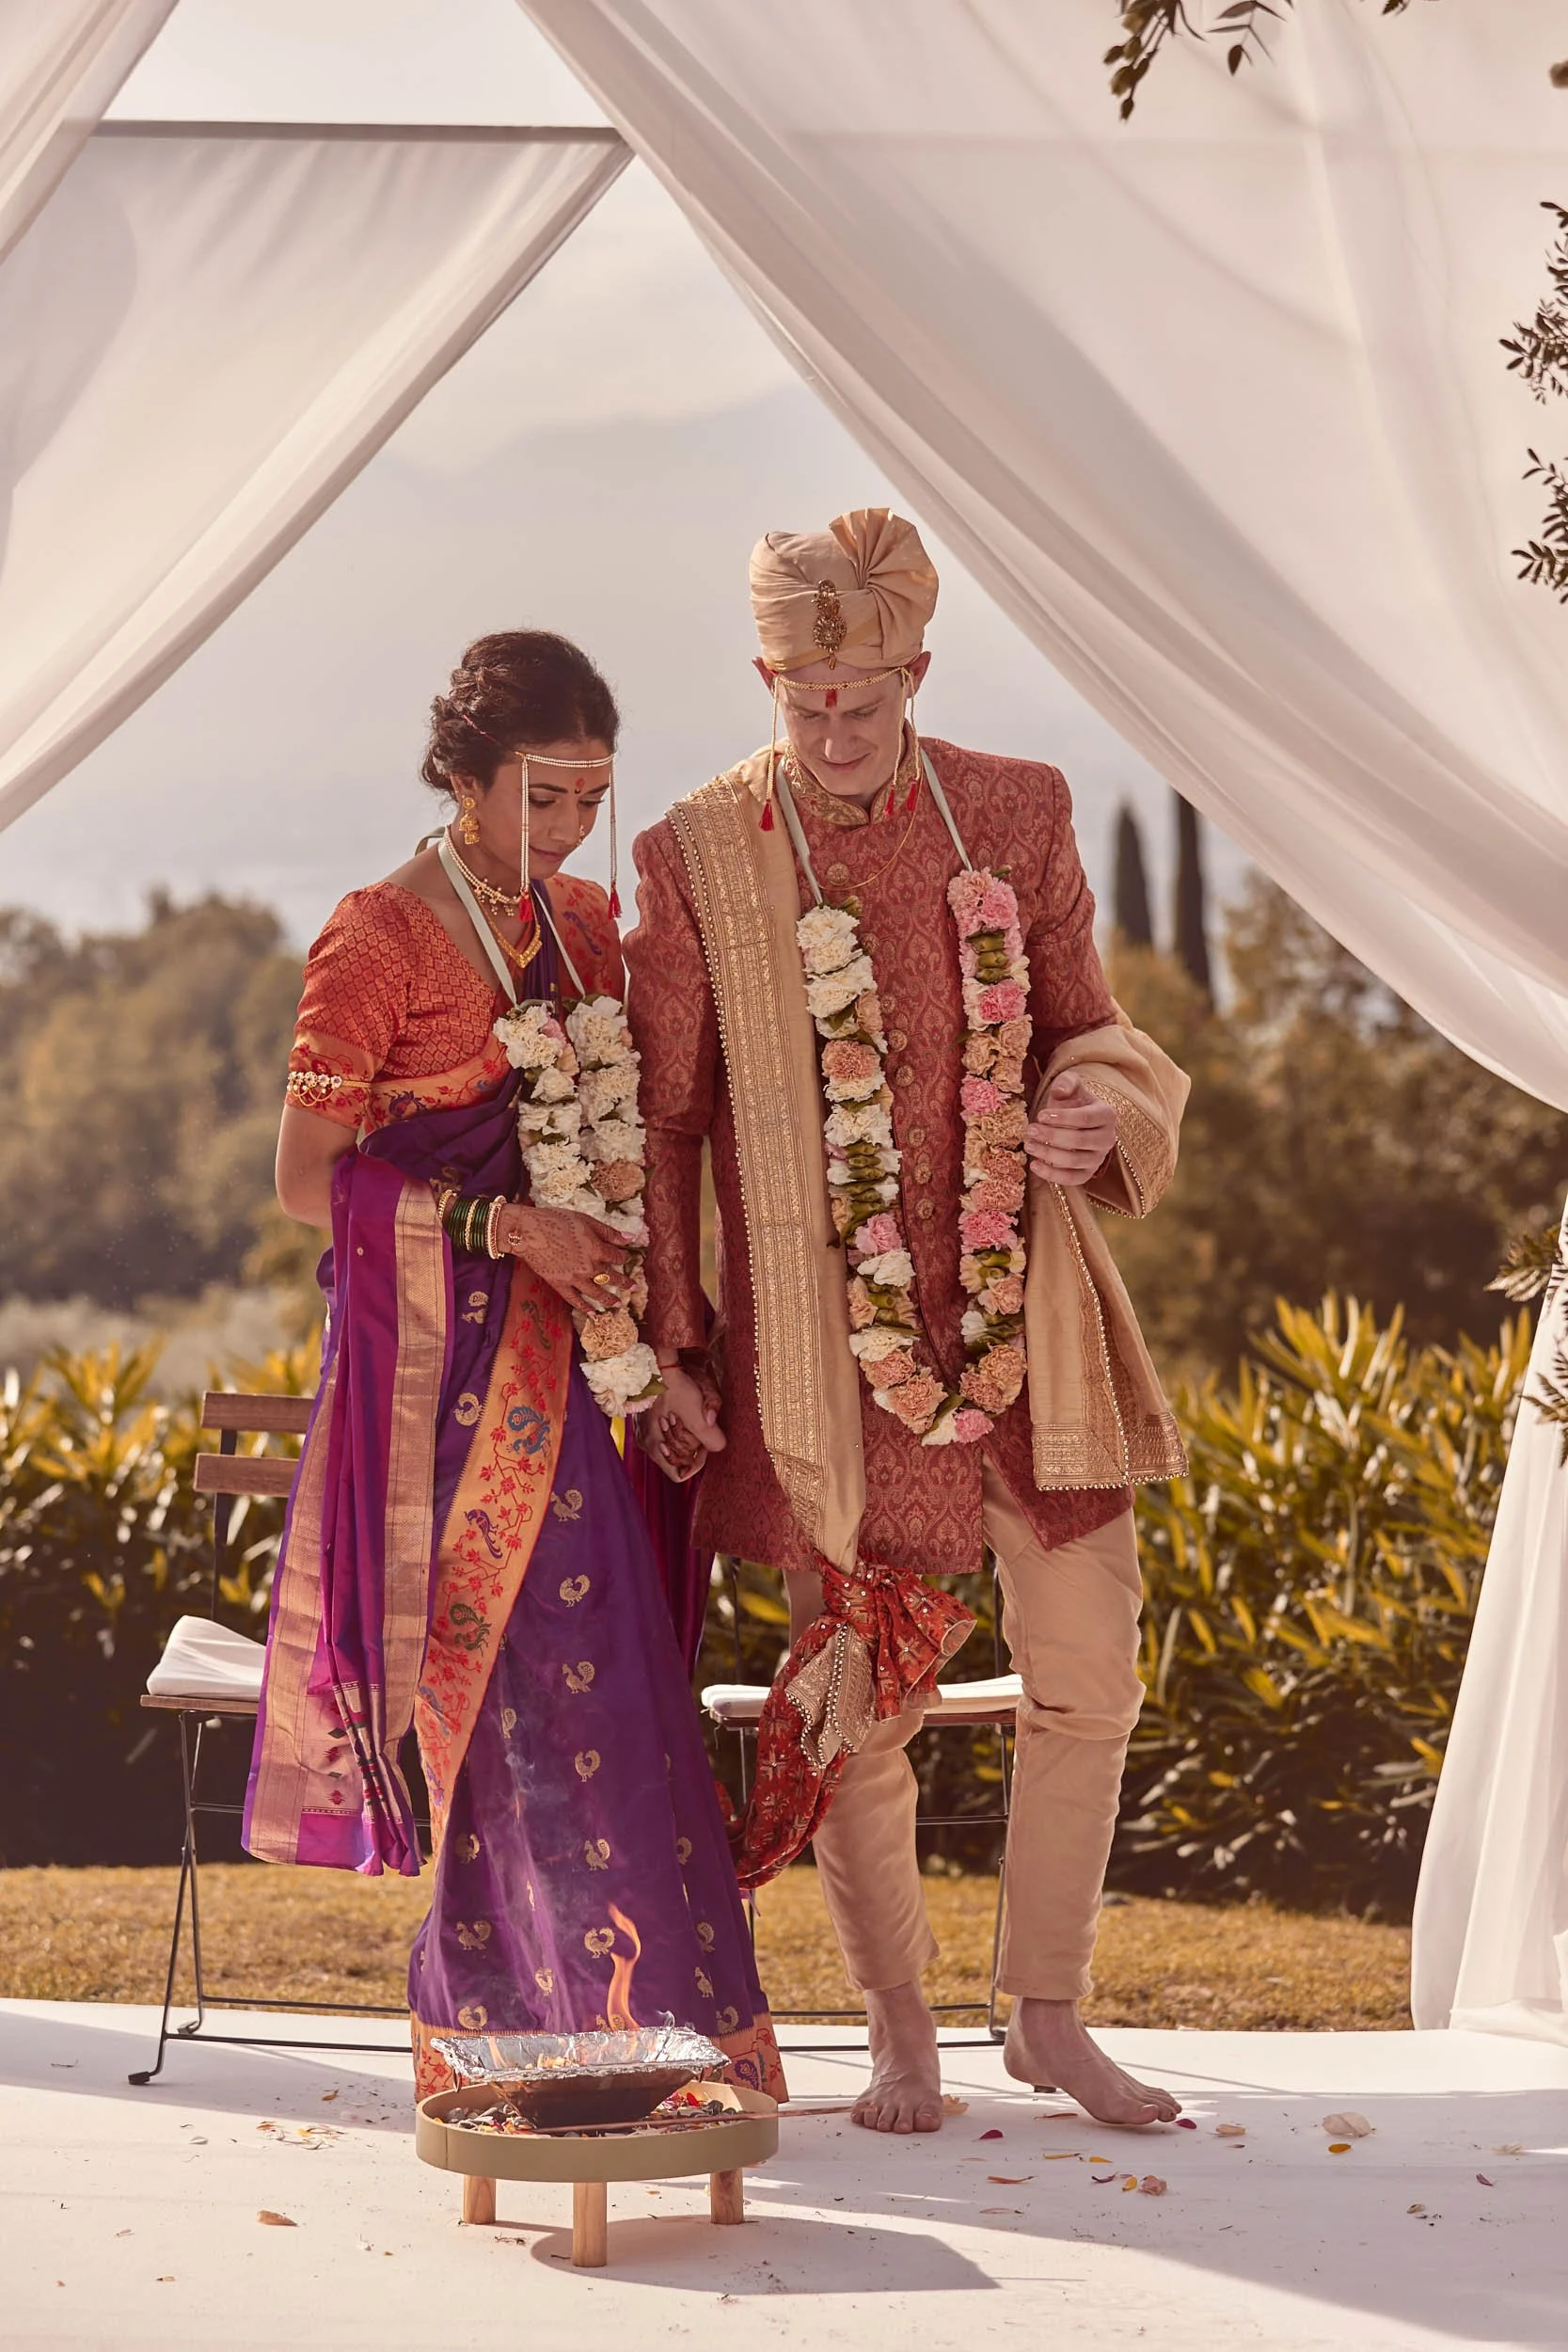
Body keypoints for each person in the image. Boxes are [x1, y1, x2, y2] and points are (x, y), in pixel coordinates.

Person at [625, 512, 1188, 2136]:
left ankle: (1047, 2014)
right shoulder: (697, 854)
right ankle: (900, 2035)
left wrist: (1088, 1109)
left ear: (916, 673)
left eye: (863, 700)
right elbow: (665, 1121)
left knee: (1088, 1666)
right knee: (853, 1701)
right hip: (819, 1361)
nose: (835, 733)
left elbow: (1090, 1034)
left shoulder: (1015, 811)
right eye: (806, 700)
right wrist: (677, 1334)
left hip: (1031, 1327)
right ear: (766, 676)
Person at [244, 630, 784, 2103]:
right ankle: (512, 2034)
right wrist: (501, 1224)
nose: (562, 830)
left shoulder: (586, 929)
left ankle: (649, 2036)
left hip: (579, 1366)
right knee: (514, 1695)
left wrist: (666, 1358)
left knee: (612, 1683)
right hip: (441, 1383)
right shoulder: (379, 939)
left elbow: (634, 1165)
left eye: (589, 798)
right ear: (466, 775)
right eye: (541, 796)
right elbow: (310, 1180)